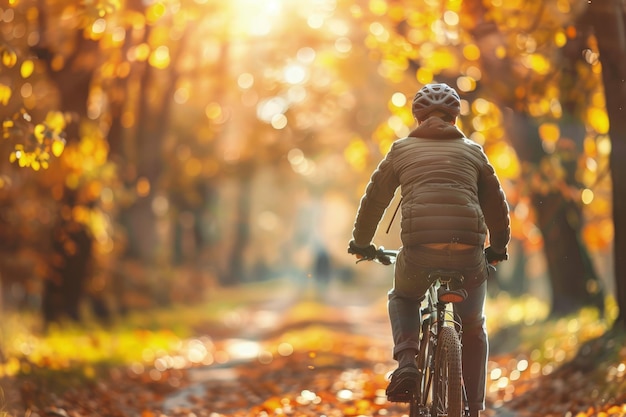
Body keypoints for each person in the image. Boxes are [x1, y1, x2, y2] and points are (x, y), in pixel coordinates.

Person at [347, 83, 510, 417]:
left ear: (417, 117)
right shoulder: (474, 152)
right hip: (469, 252)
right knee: (475, 325)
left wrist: (362, 242)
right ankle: (475, 409)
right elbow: (497, 205)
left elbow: (375, 200)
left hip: (419, 251)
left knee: (404, 297)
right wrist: (497, 248)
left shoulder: (401, 150)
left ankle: (408, 360)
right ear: (453, 116)